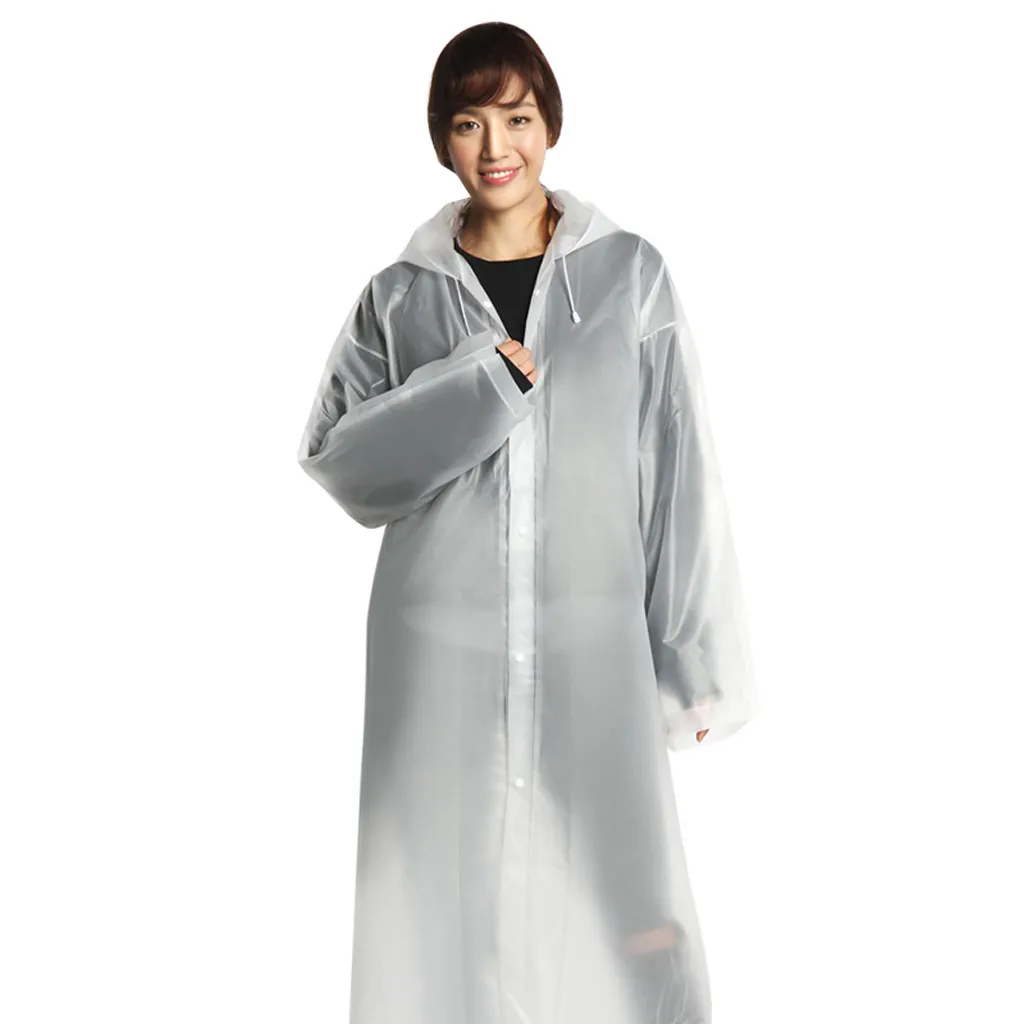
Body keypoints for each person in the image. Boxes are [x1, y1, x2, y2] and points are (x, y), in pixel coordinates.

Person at [296, 20, 757, 1024]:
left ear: (550, 124)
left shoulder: (628, 276)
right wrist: (474, 389)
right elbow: (339, 461)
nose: (495, 146)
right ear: (441, 139)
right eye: (469, 123)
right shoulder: (400, 297)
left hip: (593, 633)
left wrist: (691, 652)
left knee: (627, 896)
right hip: (438, 639)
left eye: (516, 117)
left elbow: (675, 460)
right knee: (441, 893)